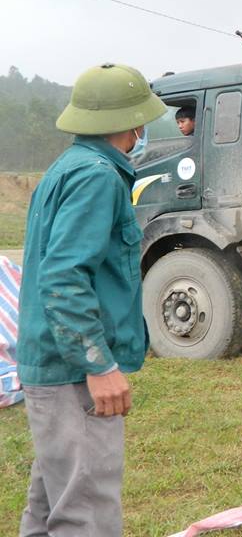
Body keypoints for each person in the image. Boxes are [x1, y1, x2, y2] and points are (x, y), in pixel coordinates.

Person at [17, 63, 166, 537]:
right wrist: (98, 365)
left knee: (50, 509)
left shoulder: (67, 168)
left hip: (52, 366)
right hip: (73, 376)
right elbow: (63, 277)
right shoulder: (97, 176)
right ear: (135, 123)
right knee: (87, 517)